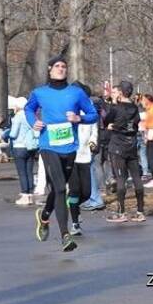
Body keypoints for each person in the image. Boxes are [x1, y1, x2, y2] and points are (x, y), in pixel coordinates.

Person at [24, 55, 99, 252]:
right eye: (57, 66)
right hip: (48, 146)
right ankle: (65, 235)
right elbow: (29, 109)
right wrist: (34, 122)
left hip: (69, 147)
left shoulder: (76, 93)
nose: (61, 69)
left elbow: (93, 115)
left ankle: (44, 215)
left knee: (58, 190)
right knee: (59, 189)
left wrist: (78, 118)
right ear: (49, 70)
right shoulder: (40, 93)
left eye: (64, 66)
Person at [103, 80, 146, 224]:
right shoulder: (135, 108)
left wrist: (113, 126)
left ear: (121, 92)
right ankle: (140, 211)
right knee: (136, 178)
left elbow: (106, 121)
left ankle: (122, 212)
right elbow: (134, 124)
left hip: (118, 147)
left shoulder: (116, 108)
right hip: (132, 145)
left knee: (121, 179)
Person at [67, 82, 99, 236]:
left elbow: (94, 129)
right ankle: (75, 223)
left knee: (86, 192)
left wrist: (93, 142)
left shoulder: (89, 110)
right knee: (74, 190)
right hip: (70, 155)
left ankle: (73, 206)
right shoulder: (67, 109)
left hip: (85, 155)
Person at [9, 97, 39, 205]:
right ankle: (30, 195)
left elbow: (13, 133)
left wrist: (8, 135)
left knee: (22, 172)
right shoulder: (32, 115)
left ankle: (24, 195)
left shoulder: (18, 116)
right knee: (29, 171)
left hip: (19, 146)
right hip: (31, 146)